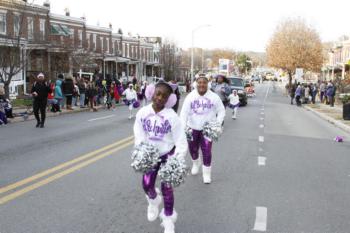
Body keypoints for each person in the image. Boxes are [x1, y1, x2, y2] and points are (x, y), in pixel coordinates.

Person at [134, 81, 187, 233]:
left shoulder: (172, 117)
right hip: (150, 155)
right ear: (152, 92)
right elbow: (139, 133)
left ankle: (168, 220)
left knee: (167, 189)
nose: (160, 98)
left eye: (164, 96)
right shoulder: (143, 113)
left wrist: (177, 160)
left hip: (168, 155)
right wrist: (142, 149)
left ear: (169, 99)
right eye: (158, 93)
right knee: (146, 184)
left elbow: (181, 141)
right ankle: (153, 200)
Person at [180, 74, 225, 184]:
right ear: (196, 84)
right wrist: (183, 127)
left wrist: (217, 124)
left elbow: (221, 111)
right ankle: (196, 163)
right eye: (199, 82)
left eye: (204, 82)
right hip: (192, 127)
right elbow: (184, 113)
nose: (202, 85)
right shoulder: (190, 96)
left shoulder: (214, 97)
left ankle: (206, 174)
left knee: (207, 151)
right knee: (192, 149)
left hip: (207, 129)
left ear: (207, 84)